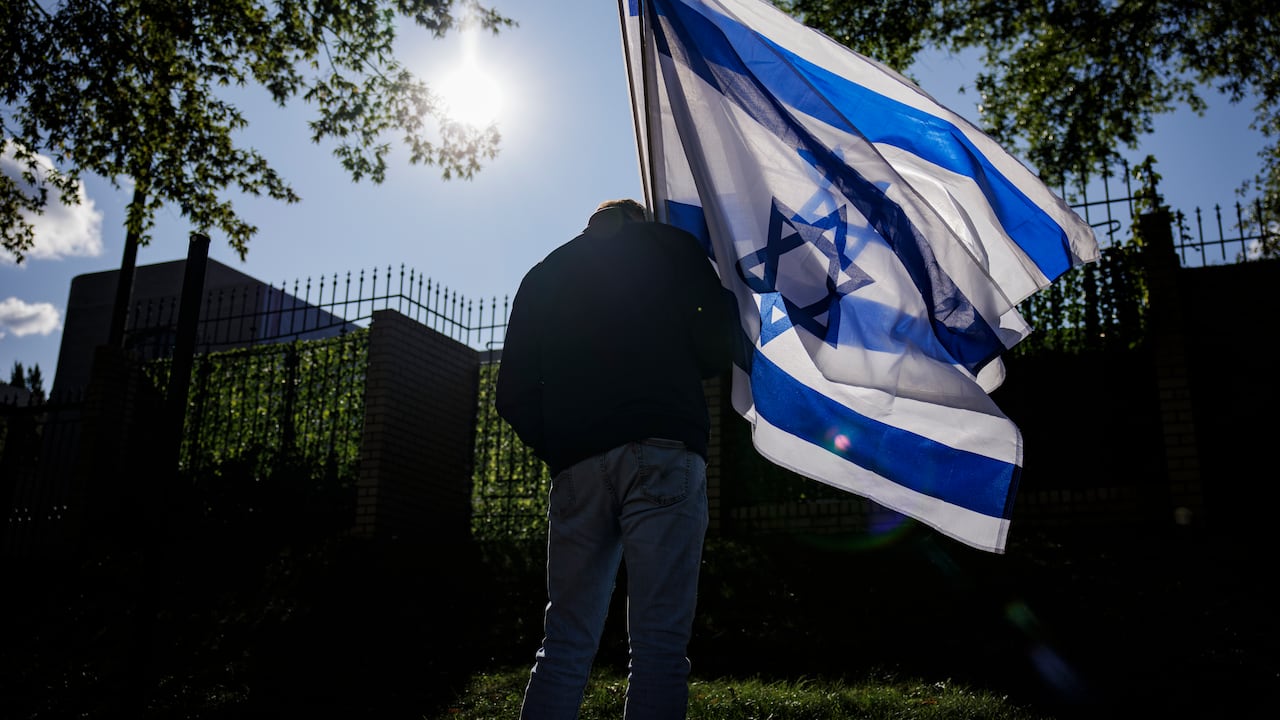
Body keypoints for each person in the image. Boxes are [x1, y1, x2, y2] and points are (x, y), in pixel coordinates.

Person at [495, 198, 733, 720]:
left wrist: (563, 444)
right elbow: (717, 344)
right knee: (659, 647)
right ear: (639, 220)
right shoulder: (672, 248)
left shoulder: (542, 275)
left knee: (563, 644)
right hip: (664, 446)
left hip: (577, 463)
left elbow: (511, 393)